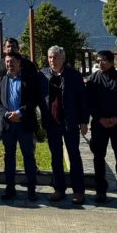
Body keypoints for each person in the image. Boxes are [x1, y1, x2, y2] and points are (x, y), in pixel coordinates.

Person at [41, 45, 89, 204]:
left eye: (55, 57)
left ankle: (78, 191)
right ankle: (59, 189)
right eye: (49, 57)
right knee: (56, 157)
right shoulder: (43, 75)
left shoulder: (74, 75)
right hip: (52, 122)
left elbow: (83, 100)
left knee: (74, 156)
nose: (52, 60)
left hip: (70, 122)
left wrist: (84, 121)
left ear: (63, 58)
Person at [0, 53, 45, 200]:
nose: (9, 64)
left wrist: (21, 112)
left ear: (19, 63)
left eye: (12, 62)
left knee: (28, 156)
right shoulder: (1, 80)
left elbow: (34, 99)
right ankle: (10, 189)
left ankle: (31, 190)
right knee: (9, 157)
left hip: (24, 123)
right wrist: (6, 113)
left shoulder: (29, 79)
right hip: (8, 125)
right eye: (7, 62)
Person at [86, 50, 117, 204]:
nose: (100, 63)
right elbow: (89, 102)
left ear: (112, 62)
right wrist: (99, 118)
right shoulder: (93, 79)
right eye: (98, 61)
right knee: (98, 158)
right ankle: (101, 191)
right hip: (99, 124)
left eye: (103, 60)